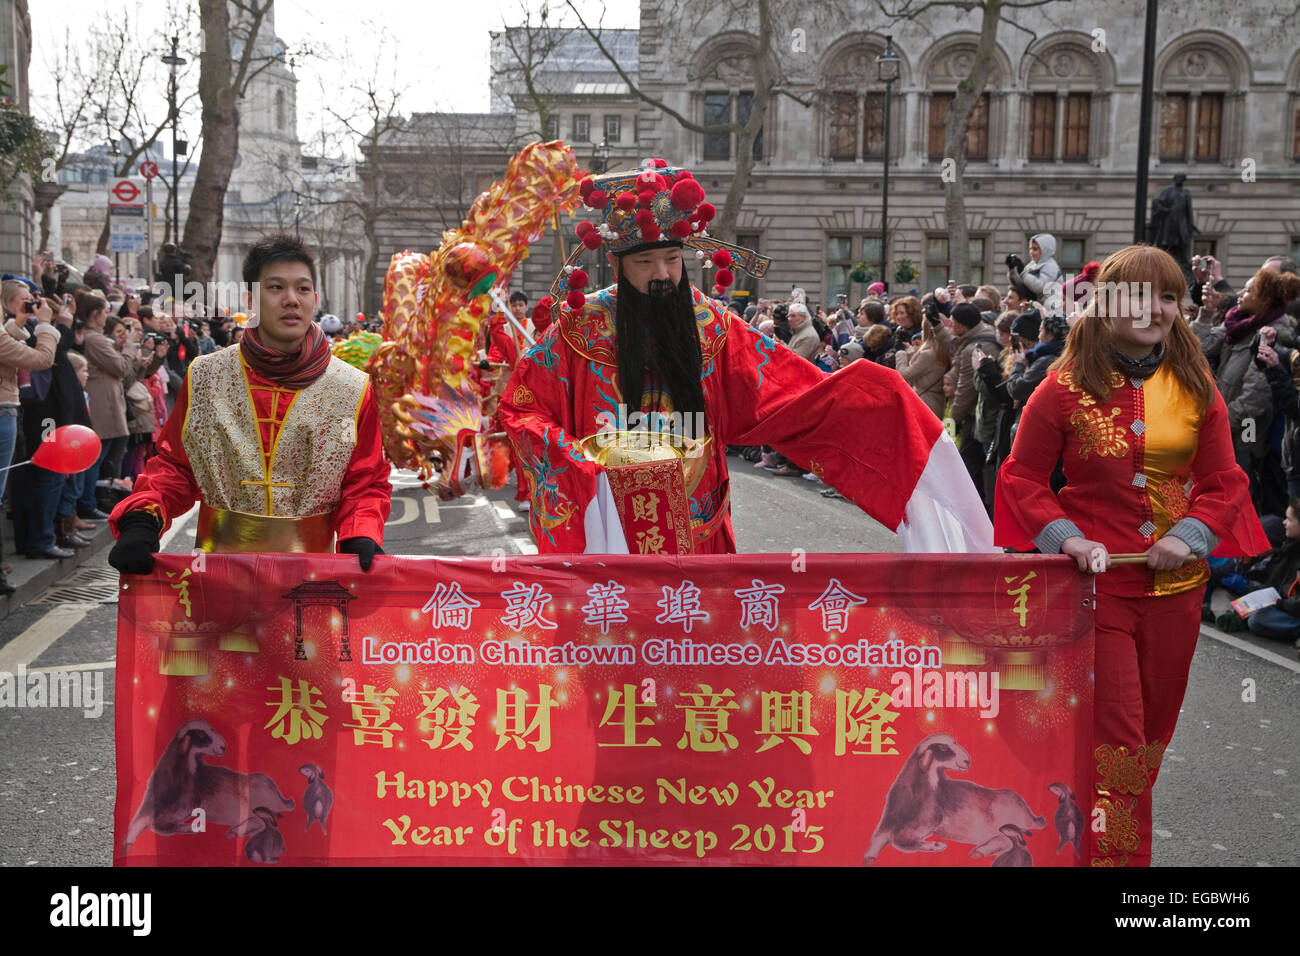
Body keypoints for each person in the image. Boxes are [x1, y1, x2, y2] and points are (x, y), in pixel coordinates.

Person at [498, 160, 991, 555]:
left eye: (672, 260)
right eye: (645, 263)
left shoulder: (710, 324)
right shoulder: (577, 328)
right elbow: (522, 408)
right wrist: (578, 465)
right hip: (607, 523)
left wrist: (879, 401)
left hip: (698, 525)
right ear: (616, 263)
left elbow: (790, 393)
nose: (662, 275)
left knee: (696, 659)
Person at [994, 244, 1269, 866]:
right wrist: (1069, 538)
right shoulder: (1060, 388)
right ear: (1105, 303)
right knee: (1116, 743)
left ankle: (1084, 844)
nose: (1158, 309)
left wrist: (1191, 537)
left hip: (1178, 592)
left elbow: (1225, 482)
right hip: (1096, 591)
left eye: (1170, 296)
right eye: (1141, 295)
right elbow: (1021, 479)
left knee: (1148, 743)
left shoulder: (1198, 386)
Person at [108, 234, 392, 574]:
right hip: (218, 579)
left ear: (314, 298)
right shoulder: (206, 377)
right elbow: (175, 467)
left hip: (314, 583)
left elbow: (366, 480)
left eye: (302, 289)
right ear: (250, 298)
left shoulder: (352, 387)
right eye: (276, 288)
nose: (291, 300)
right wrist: (144, 516)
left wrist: (360, 534)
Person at [1, 282, 61, 572]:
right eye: (25, 300)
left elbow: (9, 340)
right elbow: (42, 359)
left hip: (22, 413)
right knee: (6, 486)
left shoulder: (8, 329)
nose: (32, 304)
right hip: (13, 412)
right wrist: (46, 325)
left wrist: (23, 321)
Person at [1007, 233, 1063, 309]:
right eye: (1030, 248)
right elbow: (1021, 285)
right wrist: (1012, 269)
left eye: (1035, 249)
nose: (1031, 252)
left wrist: (1022, 272)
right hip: (1037, 307)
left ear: (1045, 250)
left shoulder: (1051, 266)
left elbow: (1040, 287)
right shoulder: (1033, 264)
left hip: (1050, 309)